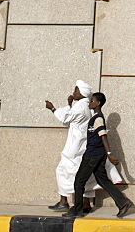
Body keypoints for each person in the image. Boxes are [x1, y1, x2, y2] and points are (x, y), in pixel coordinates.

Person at [46, 80, 124, 213]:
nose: (74, 92)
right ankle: (86, 203)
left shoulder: (84, 108)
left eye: (76, 90)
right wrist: (70, 104)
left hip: (76, 147)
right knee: (87, 177)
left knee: (66, 172)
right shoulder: (85, 107)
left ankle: (67, 203)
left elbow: (65, 118)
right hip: (84, 146)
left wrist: (52, 108)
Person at [67, 92, 134, 218]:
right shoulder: (95, 117)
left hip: (93, 154)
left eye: (92, 101)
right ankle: (123, 202)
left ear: (98, 103)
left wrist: (109, 154)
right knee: (102, 180)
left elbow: (103, 136)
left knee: (79, 181)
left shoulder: (98, 118)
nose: (90, 103)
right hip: (98, 154)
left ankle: (77, 210)